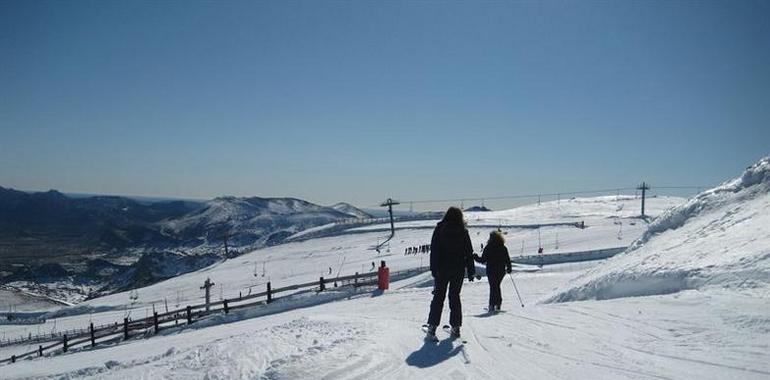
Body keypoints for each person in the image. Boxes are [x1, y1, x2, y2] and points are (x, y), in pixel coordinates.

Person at [426, 207, 475, 339]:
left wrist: (434, 269)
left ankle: (432, 328)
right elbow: (469, 253)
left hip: (442, 269)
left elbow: (435, 250)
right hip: (458, 269)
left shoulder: (440, 229)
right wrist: (471, 271)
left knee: (438, 297)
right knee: (455, 297)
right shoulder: (463, 232)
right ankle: (456, 328)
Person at [473, 230, 512, 312]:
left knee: (494, 287)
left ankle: (492, 304)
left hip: (491, 270)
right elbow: (507, 259)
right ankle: (498, 304)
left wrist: (475, 257)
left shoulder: (488, 247)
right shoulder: (503, 247)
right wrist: (509, 268)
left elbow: (483, 260)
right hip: (501, 271)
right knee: (496, 286)